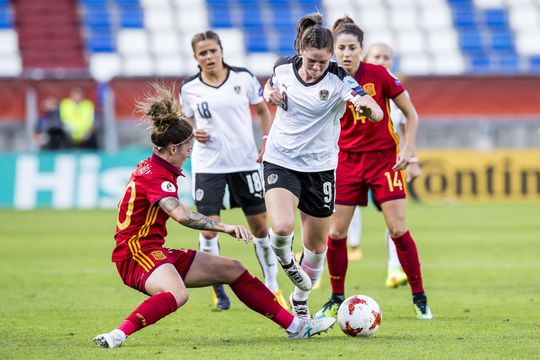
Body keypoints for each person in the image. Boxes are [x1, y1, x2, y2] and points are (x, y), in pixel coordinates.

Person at [93, 84, 336, 348]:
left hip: (153, 250)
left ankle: (296, 327)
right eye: (188, 148)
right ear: (173, 149)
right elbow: (181, 215)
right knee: (177, 294)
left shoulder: (153, 167)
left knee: (233, 269)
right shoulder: (155, 176)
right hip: (135, 254)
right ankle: (117, 334)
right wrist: (225, 227)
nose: (190, 153)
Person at [262, 13, 383, 320]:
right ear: (301, 51)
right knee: (281, 227)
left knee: (316, 248)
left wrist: (365, 108)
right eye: (311, 61)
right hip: (281, 159)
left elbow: (375, 110)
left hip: (320, 168)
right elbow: (269, 84)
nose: (316, 68)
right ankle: (290, 266)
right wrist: (268, 93)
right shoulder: (282, 66)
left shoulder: (340, 78)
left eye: (322, 62)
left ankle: (300, 300)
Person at [314, 16, 432, 320]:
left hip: (383, 161)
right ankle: (336, 295)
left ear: (361, 50)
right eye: (341, 47)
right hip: (345, 162)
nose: (347, 53)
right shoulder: (325, 77)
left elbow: (411, 113)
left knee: (398, 228)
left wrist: (408, 149)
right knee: (337, 233)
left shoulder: (378, 75)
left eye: (352, 47)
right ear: (333, 49)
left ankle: (420, 297)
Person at [179, 30, 289, 311]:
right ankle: (217, 288)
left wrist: (266, 141)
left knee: (260, 227)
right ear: (196, 58)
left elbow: (263, 110)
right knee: (208, 229)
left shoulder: (243, 77)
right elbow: (185, 118)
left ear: (221, 51)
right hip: (208, 166)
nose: (209, 56)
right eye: (202, 53)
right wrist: (192, 131)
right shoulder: (190, 88)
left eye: (212, 50)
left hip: (245, 163)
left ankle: (272, 285)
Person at [344, 42, 423, 287]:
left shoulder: (392, 86)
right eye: (377, 56)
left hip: (387, 162)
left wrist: (412, 159)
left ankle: (393, 268)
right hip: (352, 160)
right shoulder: (348, 84)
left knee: (395, 221)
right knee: (344, 215)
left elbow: (404, 125)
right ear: (366, 57)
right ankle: (351, 246)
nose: (383, 60)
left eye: (387, 57)